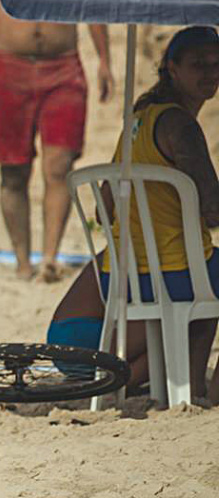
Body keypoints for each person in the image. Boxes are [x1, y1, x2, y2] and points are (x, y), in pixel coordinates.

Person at [47, 27, 219, 402]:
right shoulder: (182, 127)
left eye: (216, 64)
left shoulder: (138, 120)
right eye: (198, 64)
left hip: (106, 290)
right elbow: (213, 210)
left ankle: (191, 383)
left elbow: (102, 207)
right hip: (164, 282)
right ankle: (207, 389)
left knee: (200, 298)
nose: (210, 72)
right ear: (171, 68)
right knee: (202, 293)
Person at [0, 2, 114, 282]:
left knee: (59, 166)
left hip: (63, 68)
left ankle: (50, 258)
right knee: (13, 172)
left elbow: (90, 9)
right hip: (9, 66)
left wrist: (105, 60)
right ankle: (22, 261)